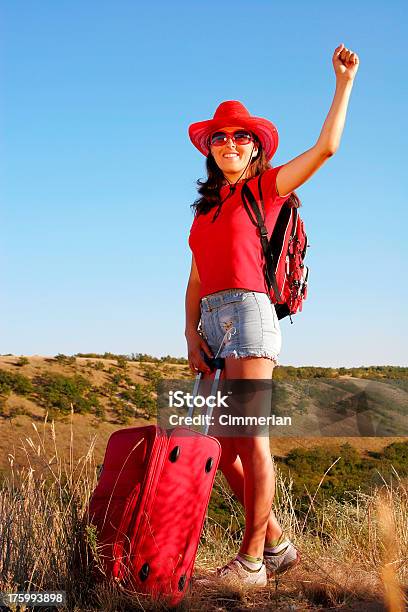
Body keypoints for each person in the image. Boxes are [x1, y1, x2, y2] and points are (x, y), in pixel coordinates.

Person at [185, 43, 359, 587]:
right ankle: (279, 544)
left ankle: (253, 561)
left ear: (255, 149)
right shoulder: (203, 214)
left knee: (250, 437)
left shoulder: (264, 190)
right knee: (219, 444)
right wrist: (190, 334)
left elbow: (326, 148)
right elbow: (193, 280)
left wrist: (343, 83)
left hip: (250, 315)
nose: (229, 143)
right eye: (220, 137)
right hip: (211, 322)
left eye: (240, 137)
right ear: (209, 150)